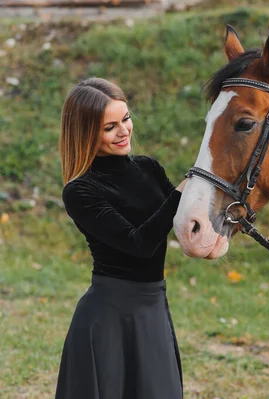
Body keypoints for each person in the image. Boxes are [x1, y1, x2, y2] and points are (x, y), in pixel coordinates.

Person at [55, 77, 186, 399]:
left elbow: (183, 222)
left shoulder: (148, 168)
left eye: (125, 119)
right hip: (109, 315)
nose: (124, 131)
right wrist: (183, 191)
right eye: (109, 127)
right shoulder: (81, 190)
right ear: (86, 133)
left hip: (153, 304)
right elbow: (139, 244)